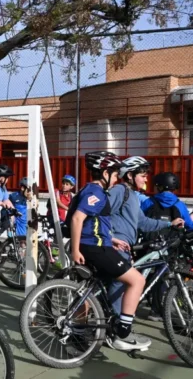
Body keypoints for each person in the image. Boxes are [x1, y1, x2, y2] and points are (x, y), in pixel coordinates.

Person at [69, 151, 150, 352]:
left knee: (88, 290)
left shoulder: (92, 191)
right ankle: (122, 332)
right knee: (137, 280)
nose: (116, 179)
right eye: (114, 175)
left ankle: (78, 334)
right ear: (104, 173)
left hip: (98, 244)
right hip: (94, 248)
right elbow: (77, 219)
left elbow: (93, 223)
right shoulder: (95, 192)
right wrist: (75, 249)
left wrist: (111, 240)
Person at [107, 156, 183, 325]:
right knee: (120, 286)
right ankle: (117, 327)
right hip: (116, 247)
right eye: (142, 175)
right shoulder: (119, 191)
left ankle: (114, 323)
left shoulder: (133, 196)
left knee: (121, 286)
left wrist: (169, 224)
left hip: (126, 248)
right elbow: (100, 213)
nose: (146, 178)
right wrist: (110, 238)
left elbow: (143, 223)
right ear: (129, 175)